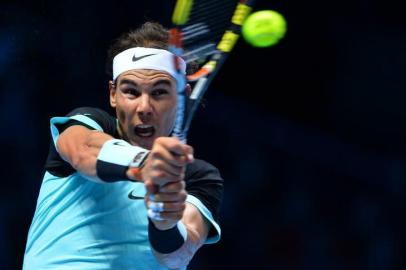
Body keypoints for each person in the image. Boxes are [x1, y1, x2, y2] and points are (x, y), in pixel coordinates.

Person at [23, 22, 223, 270]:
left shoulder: (199, 176)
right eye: (131, 92)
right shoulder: (89, 124)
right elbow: (83, 151)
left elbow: (178, 256)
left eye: (159, 92)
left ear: (182, 96)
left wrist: (164, 223)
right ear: (113, 94)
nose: (144, 108)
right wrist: (145, 164)